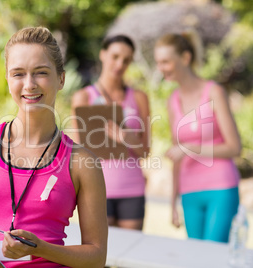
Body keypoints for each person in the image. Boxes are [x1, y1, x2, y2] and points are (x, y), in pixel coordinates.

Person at [0, 26, 108, 267]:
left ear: (61, 79)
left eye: (41, 73)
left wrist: (41, 249)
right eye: (18, 74)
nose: (30, 84)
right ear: (7, 79)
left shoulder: (82, 162)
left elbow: (96, 256)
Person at [154, 33, 241, 243]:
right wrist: (173, 201)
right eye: (158, 62)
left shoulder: (214, 92)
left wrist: (189, 147)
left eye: (166, 61)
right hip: (189, 191)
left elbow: (234, 147)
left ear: (185, 58)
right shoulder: (173, 99)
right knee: (195, 258)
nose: (161, 68)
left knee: (213, 257)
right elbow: (177, 153)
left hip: (220, 187)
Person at [71, 35, 150, 231]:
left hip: (132, 189)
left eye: (126, 59)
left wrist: (126, 137)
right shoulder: (83, 97)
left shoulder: (139, 98)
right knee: (100, 259)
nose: (120, 64)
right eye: (115, 56)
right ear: (103, 54)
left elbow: (146, 152)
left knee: (129, 257)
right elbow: (76, 152)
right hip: (96, 190)